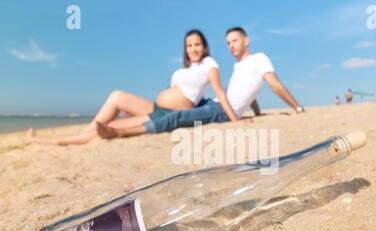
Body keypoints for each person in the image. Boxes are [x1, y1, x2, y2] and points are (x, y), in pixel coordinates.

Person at [28, 29, 239, 145]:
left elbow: (219, 91)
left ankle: (61, 140)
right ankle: (83, 132)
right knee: (116, 96)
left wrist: (235, 120)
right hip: (156, 107)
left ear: (204, 46)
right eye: (189, 45)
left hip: (167, 114)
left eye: (197, 44)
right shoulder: (180, 71)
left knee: (116, 127)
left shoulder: (209, 64)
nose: (193, 48)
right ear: (186, 48)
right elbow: (170, 92)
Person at [97, 26, 305, 138]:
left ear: (246, 40)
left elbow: (274, 84)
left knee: (178, 117)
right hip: (213, 103)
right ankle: (116, 122)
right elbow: (246, 93)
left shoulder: (259, 59)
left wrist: (297, 107)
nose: (231, 46)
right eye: (228, 43)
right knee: (176, 111)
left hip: (221, 110)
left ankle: (119, 132)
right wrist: (257, 112)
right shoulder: (238, 66)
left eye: (234, 40)